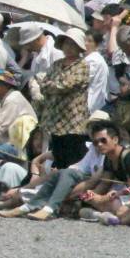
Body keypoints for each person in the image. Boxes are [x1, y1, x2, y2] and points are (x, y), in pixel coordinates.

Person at [0, 120, 122, 220]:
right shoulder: (94, 150)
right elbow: (78, 167)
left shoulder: (116, 156)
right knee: (63, 172)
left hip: (104, 195)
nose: (99, 144)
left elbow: (95, 184)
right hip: (83, 190)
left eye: (103, 140)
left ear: (115, 139)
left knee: (65, 175)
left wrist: (61, 194)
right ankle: (30, 207)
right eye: (96, 141)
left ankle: (45, 208)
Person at [38, 28, 91, 169]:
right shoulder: (57, 64)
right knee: (58, 155)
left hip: (73, 121)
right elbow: (43, 86)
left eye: (72, 44)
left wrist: (51, 85)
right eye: (66, 44)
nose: (68, 47)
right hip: (55, 120)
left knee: (72, 158)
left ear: (79, 47)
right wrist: (51, 85)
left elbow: (66, 85)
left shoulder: (82, 65)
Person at [83, 29, 109, 113]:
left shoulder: (93, 60)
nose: (86, 43)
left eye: (90, 41)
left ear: (96, 45)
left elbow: (82, 79)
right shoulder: (92, 58)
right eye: (84, 40)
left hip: (90, 103)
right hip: (94, 103)